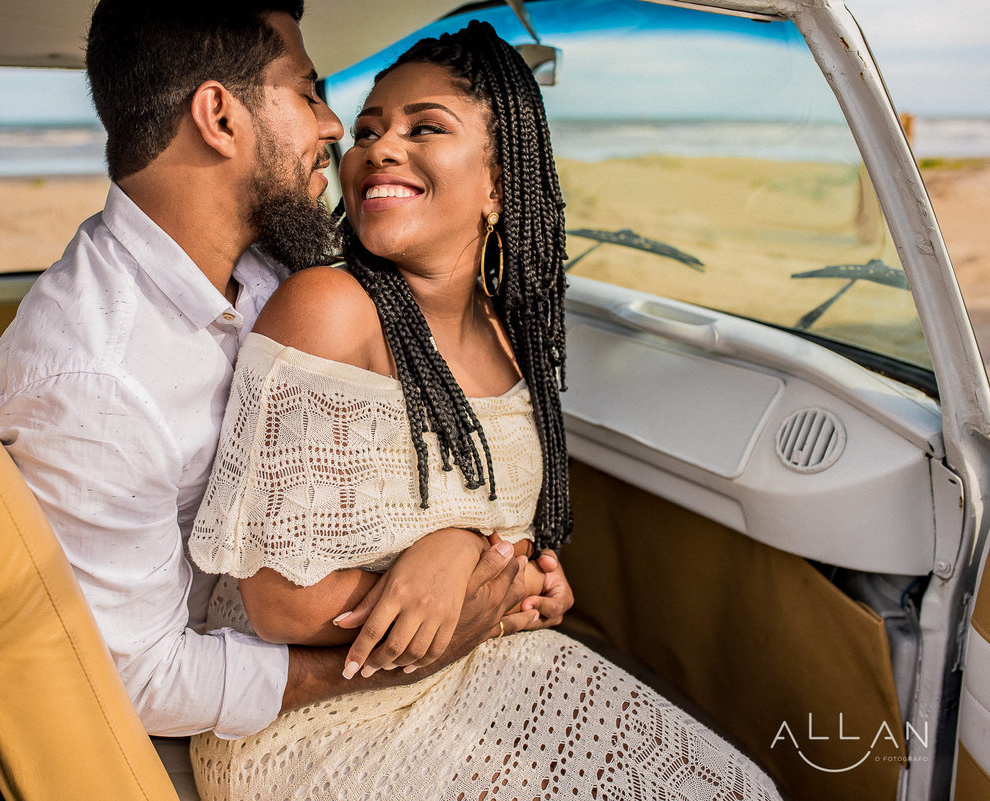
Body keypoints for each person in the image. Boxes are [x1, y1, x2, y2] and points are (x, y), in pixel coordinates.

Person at [186, 21, 786, 801]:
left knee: (735, 787)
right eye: (367, 130)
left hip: (472, 662)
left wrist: (520, 575)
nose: (377, 147)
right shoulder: (329, 309)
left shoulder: (510, 335)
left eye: (423, 127)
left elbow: (497, 532)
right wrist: (468, 562)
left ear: (499, 183)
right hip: (325, 721)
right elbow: (280, 602)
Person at [0, 1, 552, 794]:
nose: (336, 127)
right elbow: (145, 676)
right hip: (311, 720)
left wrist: (479, 555)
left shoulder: (274, 264)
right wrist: (442, 633)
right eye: (311, 93)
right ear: (219, 115)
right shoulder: (96, 380)